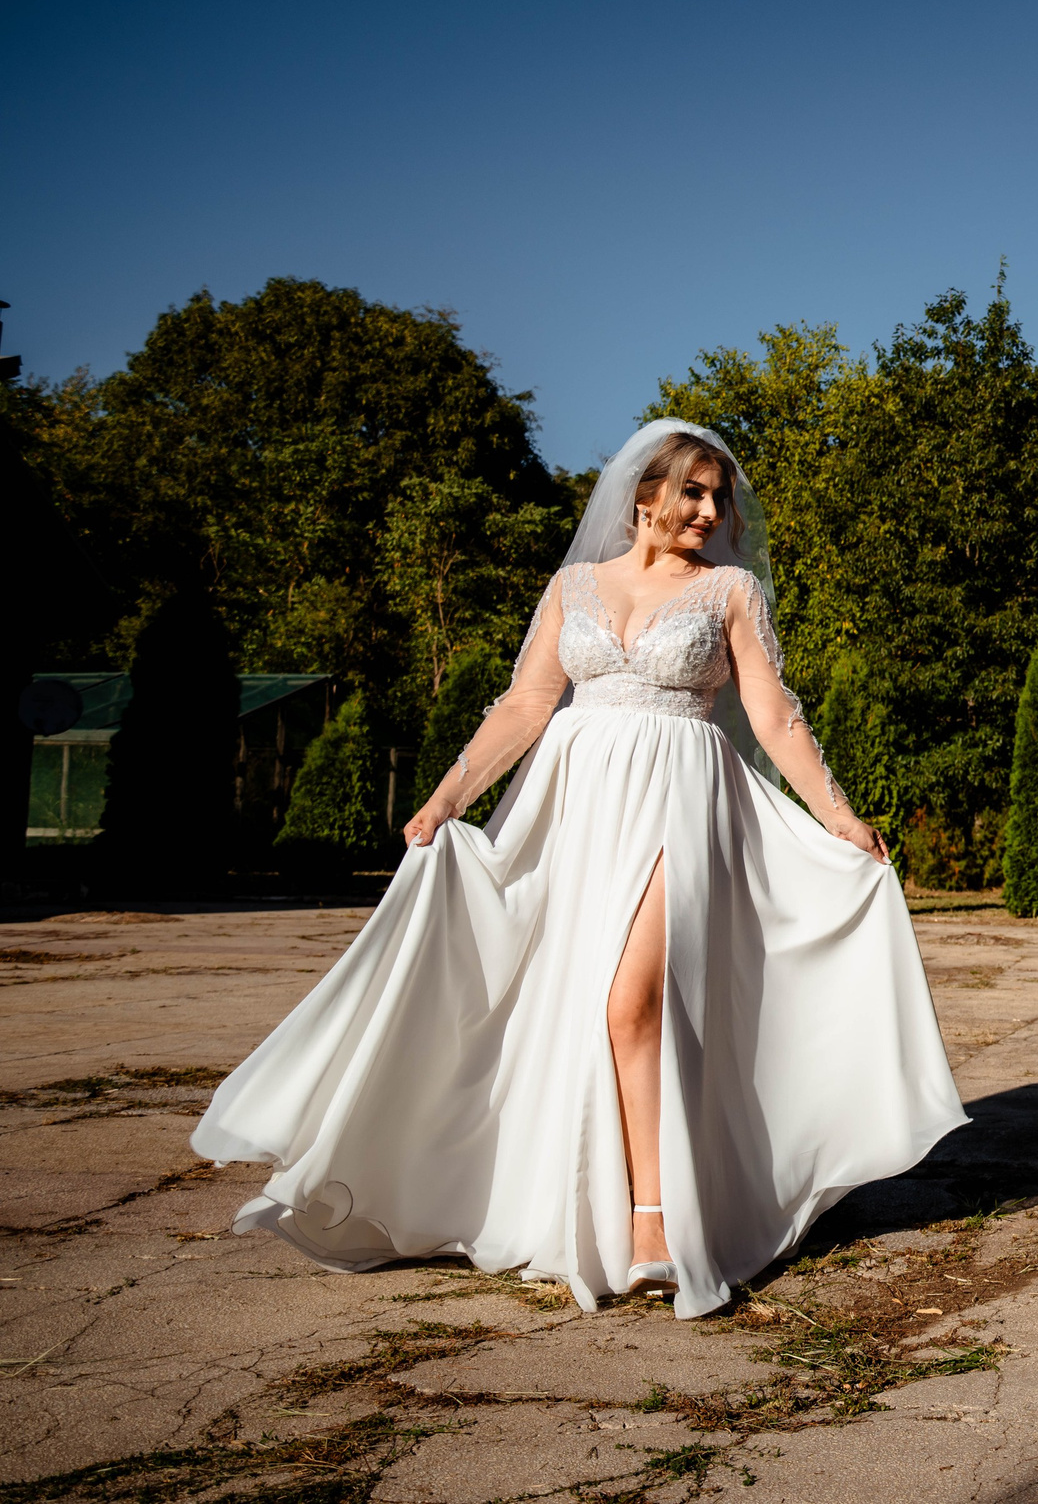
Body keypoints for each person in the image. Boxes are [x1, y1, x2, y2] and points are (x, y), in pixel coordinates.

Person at [194, 419, 966, 1319]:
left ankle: (651, 1223)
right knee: (568, 1003)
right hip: (575, 802)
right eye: (694, 491)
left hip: (682, 799)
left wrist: (838, 814)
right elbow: (527, 702)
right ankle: (576, 1203)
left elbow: (773, 715)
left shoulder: (729, 592)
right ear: (643, 496)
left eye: (719, 496)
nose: (712, 510)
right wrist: (450, 797)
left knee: (630, 999)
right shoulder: (573, 586)